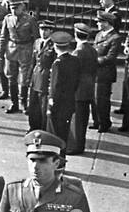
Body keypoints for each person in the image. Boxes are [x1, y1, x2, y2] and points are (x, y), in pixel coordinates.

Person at [0, 0, 38, 114]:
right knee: (11, 77)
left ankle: (24, 103)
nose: (14, 10)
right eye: (11, 8)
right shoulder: (8, 19)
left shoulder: (30, 20)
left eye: (16, 7)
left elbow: (36, 38)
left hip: (26, 49)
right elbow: (3, 36)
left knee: (25, 78)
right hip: (11, 50)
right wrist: (0, 52)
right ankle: (14, 103)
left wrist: (36, 53)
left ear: (22, 7)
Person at [69, 21, 99, 154]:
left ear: (76, 35)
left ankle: (76, 146)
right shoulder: (92, 50)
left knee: (77, 121)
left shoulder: (77, 52)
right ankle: (79, 144)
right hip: (88, 87)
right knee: (83, 119)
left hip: (78, 90)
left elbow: (73, 73)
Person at [47, 29, 80, 142]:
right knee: (64, 132)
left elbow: (55, 86)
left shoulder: (57, 64)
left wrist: (51, 103)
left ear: (56, 47)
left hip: (58, 105)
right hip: (69, 101)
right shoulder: (75, 61)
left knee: (56, 134)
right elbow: (76, 83)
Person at [91, 10, 122, 133]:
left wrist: (94, 60)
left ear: (107, 23)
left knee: (102, 100)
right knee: (94, 99)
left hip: (105, 73)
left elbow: (110, 57)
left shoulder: (115, 38)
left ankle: (104, 123)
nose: (98, 24)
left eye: (99, 21)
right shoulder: (99, 34)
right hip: (96, 72)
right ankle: (97, 121)